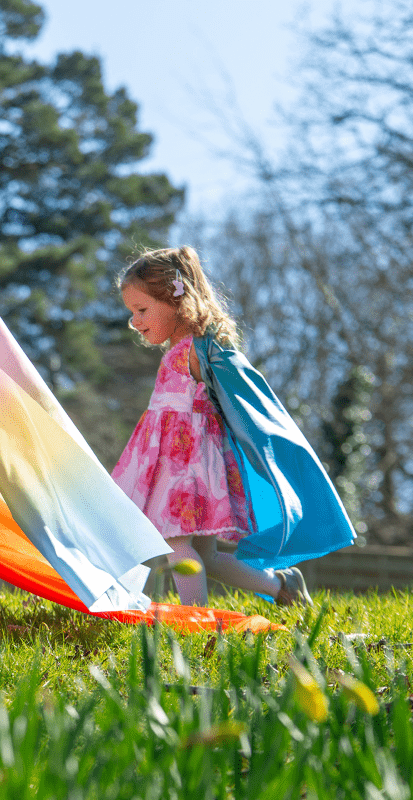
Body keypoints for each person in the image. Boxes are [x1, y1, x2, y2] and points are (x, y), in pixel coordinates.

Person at [111, 246, 317, 607]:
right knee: (204, 556)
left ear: (176, 300)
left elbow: (236, 392)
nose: (136, 322)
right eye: (132, 313)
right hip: (175, 464)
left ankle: (194, 618)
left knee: (175, 543)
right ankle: (282, 587)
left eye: (142, 310)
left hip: (186, 465)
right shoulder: (181, 349)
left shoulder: (198, 350)